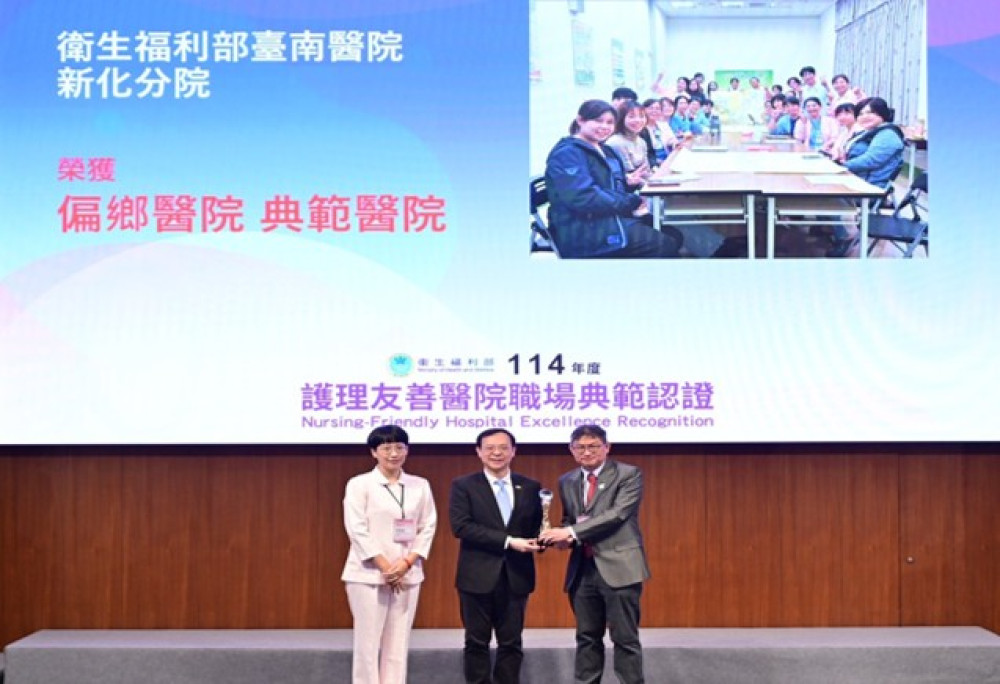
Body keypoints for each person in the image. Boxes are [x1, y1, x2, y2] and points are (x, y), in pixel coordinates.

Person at [539, 425, 650, 684]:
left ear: (607, 447)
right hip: (583, 569)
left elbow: (617, 515)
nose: (586, 452)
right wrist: (563, 539)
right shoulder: (567, 480)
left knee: (625, 638)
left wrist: (570, 532)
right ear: (571, 450)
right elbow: (570, 519)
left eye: (593, 446)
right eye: (580, 447)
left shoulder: (628, 474)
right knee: (586, 637)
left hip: (620, 567)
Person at [342, 426, 438, 684]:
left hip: (407, 573)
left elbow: (428, 526)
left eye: (399, 447)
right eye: (386, 448)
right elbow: (357, 529)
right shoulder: (359, 484)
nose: (393, 454)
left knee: (398, 642)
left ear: (407, 450)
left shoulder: (420, 485)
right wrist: (386, 567)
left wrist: (406, 563)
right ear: (374, 452)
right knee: (367, 642)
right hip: (367, 575)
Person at [449, 429, 543, 684]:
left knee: (511, 643)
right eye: (490, 448)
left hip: (517, 575)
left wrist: (543, 540)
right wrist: (509, 542)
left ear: (514, 451)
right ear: (479, 452)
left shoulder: (530, 487)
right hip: (476, 576)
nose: (497, 453)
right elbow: (461, 527)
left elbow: (535, 528)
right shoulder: (464, 486)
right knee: (476, 642)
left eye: (503, 447)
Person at [544, 99, 683, 258]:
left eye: (609, 122)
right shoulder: (567, 154)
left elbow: (607, 186)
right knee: (663, 244)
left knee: (675, 234)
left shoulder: (603, 148)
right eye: (598, 121)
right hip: (584, 230)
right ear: (580, 120)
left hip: (605, 217)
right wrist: (631, 201)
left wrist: (628, 183)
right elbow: (584, 197)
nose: (604, 127)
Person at [606, 100, 652, 192]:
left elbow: (646, 170)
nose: (637, 120)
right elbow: (630, 175)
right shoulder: (616, 142)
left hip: (641, 187)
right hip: (626, 191)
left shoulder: (641, 141)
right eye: (631, 116)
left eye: (641, 116)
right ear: (622, 119)